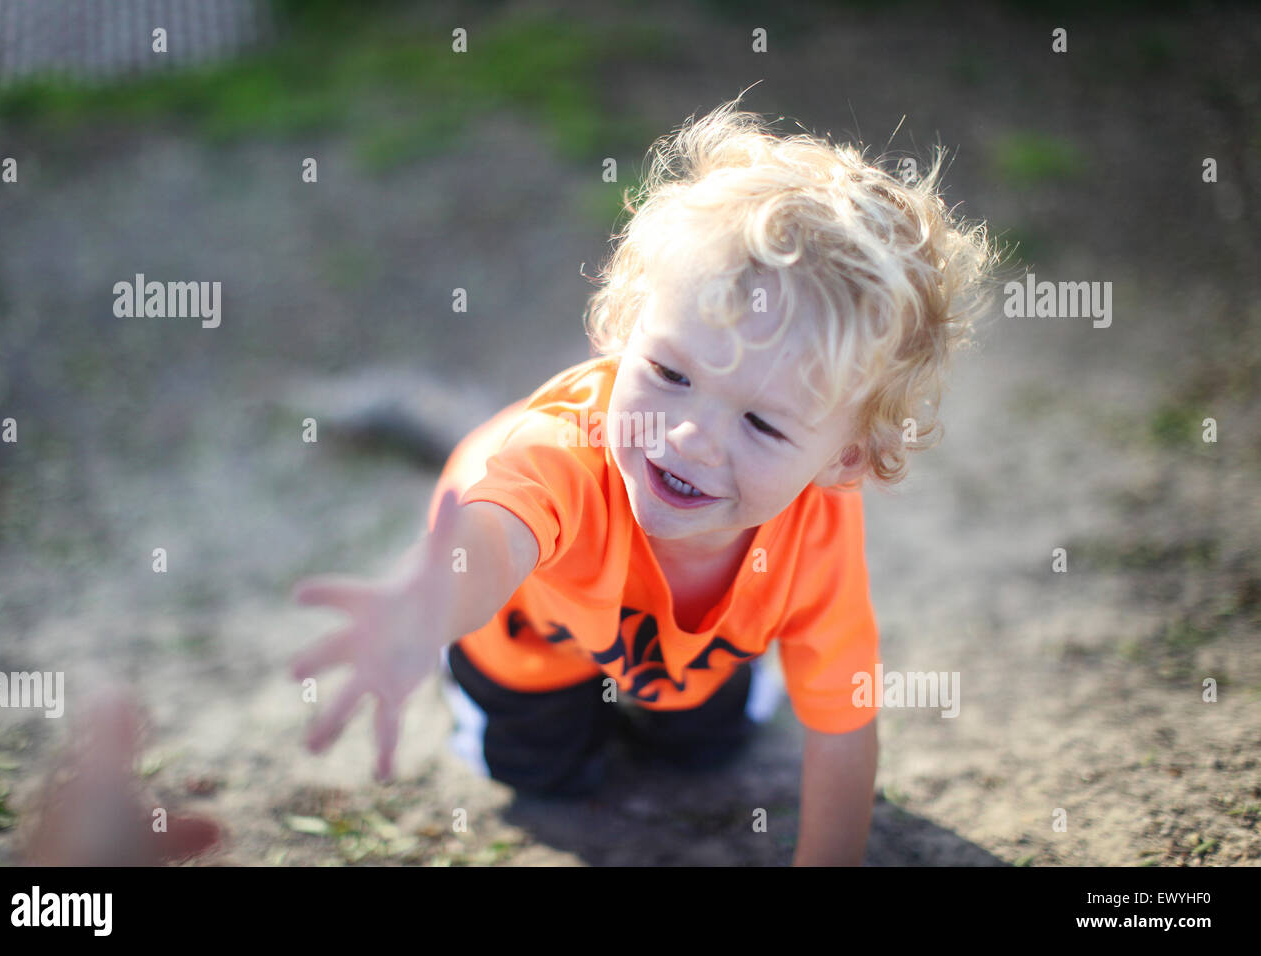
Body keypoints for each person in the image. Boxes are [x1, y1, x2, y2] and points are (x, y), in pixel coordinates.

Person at [290, 95, 996, 866]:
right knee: (549, 779)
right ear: (624, 326)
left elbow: (844, 724)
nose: (687, 437)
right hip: (528, 637)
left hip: (692, 654)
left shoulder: (818, 527)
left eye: (761, 424)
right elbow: (494, 538)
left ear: (844, 460)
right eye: (666, 372)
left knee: (708, 748)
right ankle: (432, 434)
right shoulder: (563, 452)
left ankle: (685, 694)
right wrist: (423, 610)